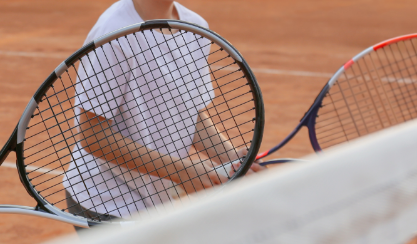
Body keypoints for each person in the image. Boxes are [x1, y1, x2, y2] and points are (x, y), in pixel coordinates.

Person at [62, 0, 265, 229]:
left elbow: (188, 114)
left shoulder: (195, 27)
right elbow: (93, 136)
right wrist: (182, 171)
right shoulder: (113, 32)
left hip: (153, 201)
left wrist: (231, 158)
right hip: (105, 203)